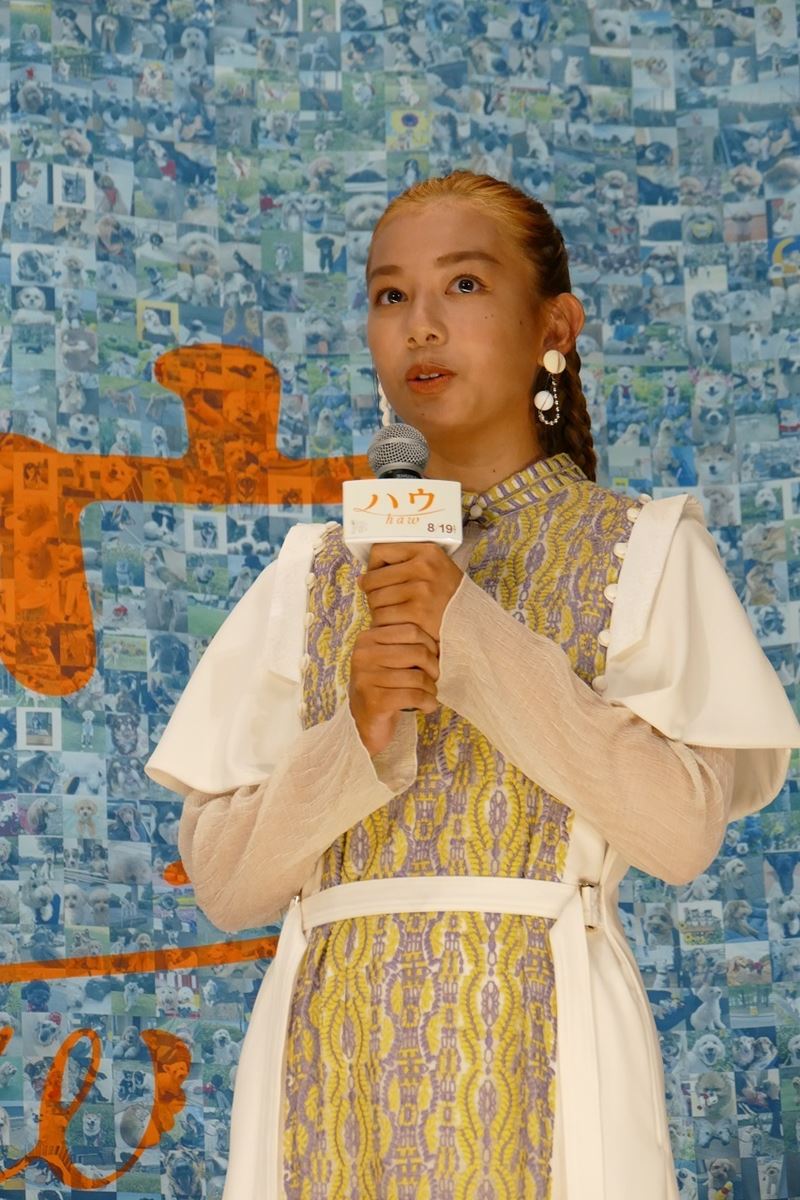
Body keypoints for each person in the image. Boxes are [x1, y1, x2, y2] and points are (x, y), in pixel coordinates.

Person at [144, 170, 800, 1199]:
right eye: (389, 294)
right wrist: (355, 735)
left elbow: (679, 835)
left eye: (462, 285)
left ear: (554, 327)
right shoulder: (315, 571)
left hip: (548, 1030)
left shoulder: (644, 549)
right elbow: (225, 887)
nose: (420, 325)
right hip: (329, 1054)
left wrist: (474, 638)